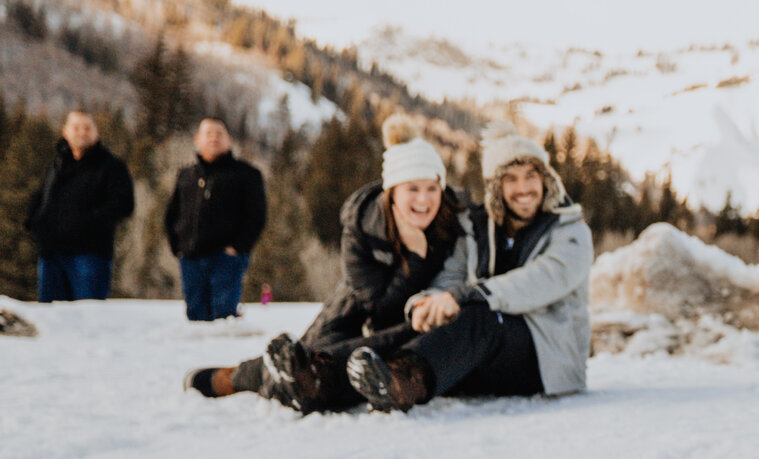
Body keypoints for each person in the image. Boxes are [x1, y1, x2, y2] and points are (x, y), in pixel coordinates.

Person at [185, 116, 468, 411]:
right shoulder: (363, 226)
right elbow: (378, 309)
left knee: (328, 367)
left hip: (411, 328)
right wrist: (417, 258)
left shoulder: (452, 225)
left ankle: (241, 377)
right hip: (352, 314)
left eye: (432, 188)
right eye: (412, 188)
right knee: (307, 360)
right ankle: (238, 377)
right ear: (392, 191)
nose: (424, 200)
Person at [345, 126, 594, 412]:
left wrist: (467, 295)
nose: (523, 188)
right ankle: (324, 378)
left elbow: (540, 281)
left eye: (531, 176)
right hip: (488, 357)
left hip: (546, 362)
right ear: (496, 188)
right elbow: (452, 277)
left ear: (546, 180)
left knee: (480, 315)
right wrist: (426, 303)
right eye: (511, 179)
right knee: (422, 324)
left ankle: (403, 382)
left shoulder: (571, 232)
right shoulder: (477, 227)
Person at [163, 118, 266, 321]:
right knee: (195, 316)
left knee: (224, 318)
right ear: (197, 139)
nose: (214, 138)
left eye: (219, 133)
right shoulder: (187, 174)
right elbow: (172, 212)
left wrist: (238, 247)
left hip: (226, 258)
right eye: (208, 133)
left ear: (229, 140)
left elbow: (256, 215)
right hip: (191, 257)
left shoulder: (246, 174)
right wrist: (177, 246)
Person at [24, 110, 133, 301]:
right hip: (51, 254)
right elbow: (41, 197)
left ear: (95, 132)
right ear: (65, 131)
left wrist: (86, 224)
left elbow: (123, 204)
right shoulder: (56, 165)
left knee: (87, 318)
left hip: (89, 255)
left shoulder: (111, 166)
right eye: (76, 128)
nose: (82, 132)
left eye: (87, 128)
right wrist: (34, 223)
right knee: (51, 318)